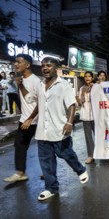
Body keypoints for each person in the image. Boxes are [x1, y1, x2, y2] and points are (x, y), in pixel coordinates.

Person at [35, 57, 88, 201]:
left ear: (56, 67)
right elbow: (38, 105)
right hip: (43, 131)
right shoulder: (40, 85)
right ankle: (51, 188)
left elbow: (71, 104)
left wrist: (70, 123)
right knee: (46, 161)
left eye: (49, 65)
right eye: (43, 66)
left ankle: (80, 169)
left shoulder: (63, 84)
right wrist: (29, 119)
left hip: (60, 128)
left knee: (66, 154)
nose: (45, 68)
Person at [3, 54, 41, 183]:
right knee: (20, 144)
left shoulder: (36, 81)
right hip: (24, 119)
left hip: (36, 120)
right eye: (15, 62)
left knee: (46, 146)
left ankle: (48, 170)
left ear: (28, 65)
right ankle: (20, 173)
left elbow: (40, 103)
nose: (16, 64)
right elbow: (26, 101)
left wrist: (30, 119)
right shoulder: (20, 80)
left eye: (19, 62)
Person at [76, 71, 95, 164]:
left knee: (99, 136)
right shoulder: (81, 89)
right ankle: (91, 155)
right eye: (86, 76)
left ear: (92, 78)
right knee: (88, 137)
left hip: (96, 116)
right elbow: (80, 104)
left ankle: (102, 153)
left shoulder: (96, 87)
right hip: (85, 116)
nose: (87, 78)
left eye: (89, 76)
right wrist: (78, 100)